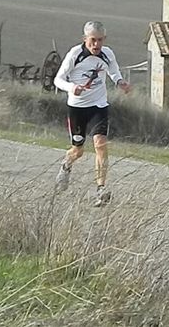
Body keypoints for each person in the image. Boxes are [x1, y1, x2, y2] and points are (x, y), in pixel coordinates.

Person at [53, 21, 131, 206]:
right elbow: (58, 79)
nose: (96, 45)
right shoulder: (75, 54)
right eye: (93, 40)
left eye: (100, 40)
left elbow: (113, 71)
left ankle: (101, 190)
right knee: (78, 151)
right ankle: (66, 165)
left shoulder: (107, 53)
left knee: (101, 144)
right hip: (77, 108)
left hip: (99, 106)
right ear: (85, 39)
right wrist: (72, 88)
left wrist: (120, 82)